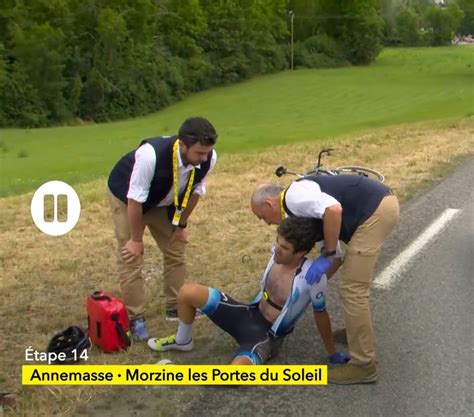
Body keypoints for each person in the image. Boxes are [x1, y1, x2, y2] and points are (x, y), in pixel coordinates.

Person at [251, 174, 399, 383]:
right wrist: (307, 287)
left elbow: (333, 210)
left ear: (268, 204)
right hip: (378, 206)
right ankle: (355, 335)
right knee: (352, 285)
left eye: (262, 216)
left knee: (352, 289)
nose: (266, 222)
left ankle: (363, 365)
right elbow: (336, 256)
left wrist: (327, 255)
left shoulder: (294, 197)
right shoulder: (301, 214)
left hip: (375, 210)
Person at [147, 217, 350, 366]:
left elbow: (321, 316)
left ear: (301, 252)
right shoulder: (277, 253)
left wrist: (332, 353)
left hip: (265, 335)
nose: (276, 249)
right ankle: (183, 340)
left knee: (236, 375)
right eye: (277, 241)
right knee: (187, 292)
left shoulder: (313, 277)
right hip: (248, 313)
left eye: (284, 247)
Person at [107, 117, 218, 341]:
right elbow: (135, 201)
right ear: (183, 145)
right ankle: (135, 316)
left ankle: (175, 306)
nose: (203, 159)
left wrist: (181, 225)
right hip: (127, 198)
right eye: (199, 153)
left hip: (162, 200)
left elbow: (195, 192)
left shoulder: (208, 158)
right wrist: (136, 239)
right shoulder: (150, 155)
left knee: (176, 248)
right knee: (131, 256)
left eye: (207, 153)